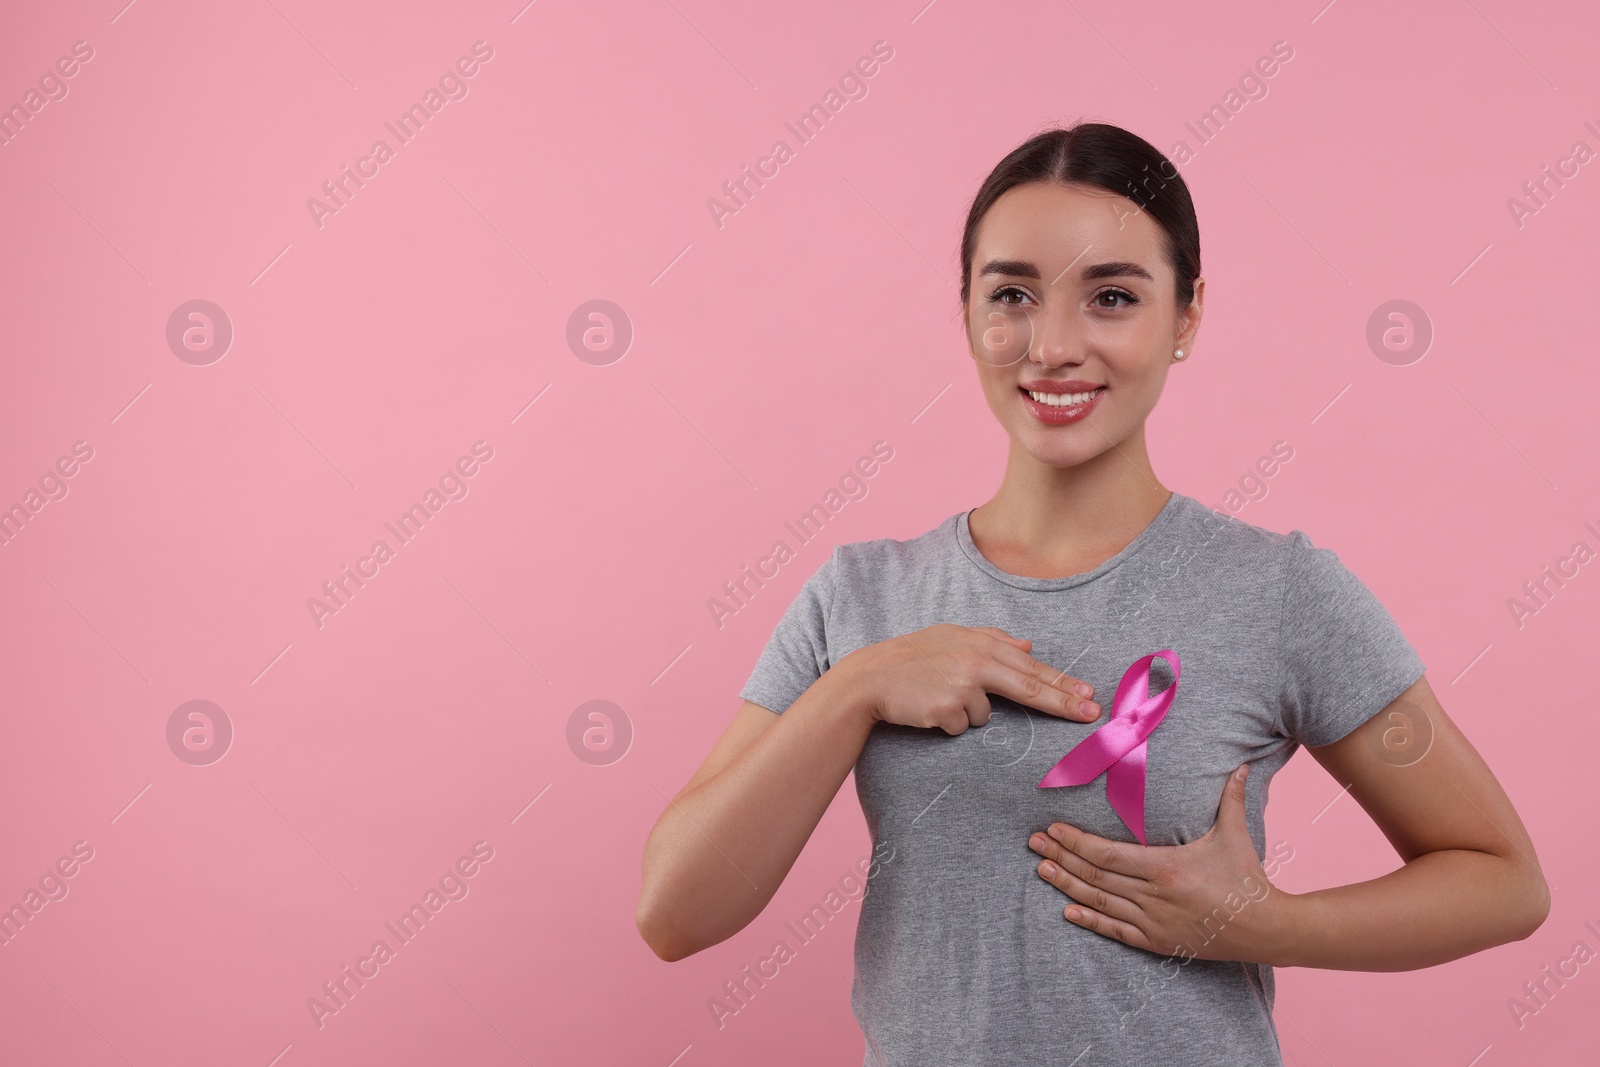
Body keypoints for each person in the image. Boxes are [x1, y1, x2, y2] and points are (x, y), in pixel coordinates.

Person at [635, 121, 1549, 1066]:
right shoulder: (863, 595)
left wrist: (1264, 923)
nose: (1054, 344)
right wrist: (858, 685)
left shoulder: (1278, 590)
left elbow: (1503, 880)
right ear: (967, 313)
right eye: (1013, 295)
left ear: (1186, 316)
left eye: (1112, 295)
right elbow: (675, 911)